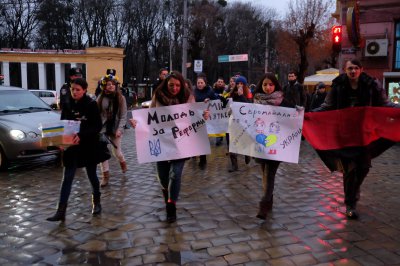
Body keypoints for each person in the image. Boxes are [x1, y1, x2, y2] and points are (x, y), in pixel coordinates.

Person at [312, 59, 399, 219]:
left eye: (356, 68)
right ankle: (350, 203)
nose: (353, 71)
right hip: (344, 135)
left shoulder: (372, 85)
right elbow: (327, 106)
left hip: (365, 134)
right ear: (345, 70)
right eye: (350, 68)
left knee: (363, 167)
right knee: (349, 169)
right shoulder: (338, 85)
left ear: (361, 69)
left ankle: (354, 191)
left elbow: (385, 104)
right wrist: (309, 114)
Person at [130, 71, 209, 223]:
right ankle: (167, 197)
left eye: (178, 85)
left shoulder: (187, 97)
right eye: (171, 85)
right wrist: (137, 123)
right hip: (161, 142)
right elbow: (149, 117)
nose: (174, 88)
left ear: (182, 85)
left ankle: (171, 205)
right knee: (163, 177)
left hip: (182, 142)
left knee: (176, 173)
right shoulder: (158, 96)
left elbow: (195, 116)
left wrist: (203, 116)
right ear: (166, 84)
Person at [46, 78, 103, 222]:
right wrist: (60, 141)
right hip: (71, 147)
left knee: (92, 176)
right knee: (67, 178)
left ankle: (96, 200)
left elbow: (97, 126)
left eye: (78, 89)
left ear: (84, 90)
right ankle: (61, 210)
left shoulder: (91, 105)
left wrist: (82, 135)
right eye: (73, 89)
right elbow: (63, 124)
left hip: (88, 146)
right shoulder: (66, 104)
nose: (75, 92)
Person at [252, 73, 294, 220]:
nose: (268, 87)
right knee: (265, 174)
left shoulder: (283, 102)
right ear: (261, 86)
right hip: (260, 144)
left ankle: (264, 205)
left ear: (275, 85)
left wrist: (300, 112)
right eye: (265, 85)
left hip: (277, 145)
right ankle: (269, 200)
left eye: (271, 84)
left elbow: (293, 117)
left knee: (269, 174)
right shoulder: (255, 101)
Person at [97, 74, 128, 187]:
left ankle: (122, 161)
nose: (111, 86)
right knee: (103, 154)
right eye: (108, 85)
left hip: (115, 128)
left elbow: (123, 116)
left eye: (113, 84)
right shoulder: (100, 98)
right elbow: (97, 114)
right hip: (103, 129)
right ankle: (105, 176)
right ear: (104, 87)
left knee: (117, 152)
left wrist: (120, 129)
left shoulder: (121, 98)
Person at [193, 74, 221, 169]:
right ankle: (196, 154)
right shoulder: (194, 92)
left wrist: (210, 99)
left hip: (207, 120)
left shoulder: (210, 91)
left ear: (205, 83)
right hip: (196, 118)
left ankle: (203, 159)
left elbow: (217, 101)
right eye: (198, 83)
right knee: (196, 139)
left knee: (203, 139)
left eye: (201, 82)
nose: (200, 84)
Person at [225, 75, 252, 172]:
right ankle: (234, 165)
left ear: (244, 85)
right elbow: (229, 104)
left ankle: (247, 153)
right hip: (234, 121)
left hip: (244, 123)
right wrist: (229, 109)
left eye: (241, 84)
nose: (239, 85)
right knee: (232, 142)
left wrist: (241, 96)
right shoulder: (232, 94)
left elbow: (248, 107)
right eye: (238, 83)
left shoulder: (248, 94)